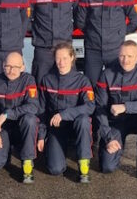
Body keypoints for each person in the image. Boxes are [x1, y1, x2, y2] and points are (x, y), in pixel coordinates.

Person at [95, 41, 137, 180]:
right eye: (122, 56)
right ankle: (114, 148)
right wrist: (108, 137)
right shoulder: (107, 74)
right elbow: (99, 108)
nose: (125, 60)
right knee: (107, 167)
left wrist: (126, 106)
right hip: (117, 123)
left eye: (130, 56)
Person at [37, 42, 95, 183]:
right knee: (55, 169)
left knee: (83, 120)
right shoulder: (47, 80)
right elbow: (41, 110)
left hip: (76, 126)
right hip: (57, 127)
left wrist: (65, 114)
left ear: (72, 58)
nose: (61, 63)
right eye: (58, 59)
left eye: (64, 58)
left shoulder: (82, 81)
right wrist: (41, 135)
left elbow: (90, 106)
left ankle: (83, 164)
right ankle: (57, 151)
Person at [75, 0, 137, 84]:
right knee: (91, 83)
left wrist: (120, 33)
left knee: (114, 83)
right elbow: (80, 21)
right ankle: (92, 104)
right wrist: (92, 33)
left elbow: (134, 20)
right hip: (93, 49)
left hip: (116, 49)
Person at [0, 52, 39, 183]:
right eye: (8, 66)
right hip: (1, 130)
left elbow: (33, 107)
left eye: (16, 67)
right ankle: (4, 152)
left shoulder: (28, 81)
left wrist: (7, 114)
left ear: (23, 67)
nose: (11, 71)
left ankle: (27, 162)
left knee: (30, 119)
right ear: (3, 65)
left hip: (21, 128)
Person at [27, 0, 81, 82]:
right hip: (43, 49)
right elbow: (26, 20)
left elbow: (80, 18)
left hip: (65, 46)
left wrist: (68, 30)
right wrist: (37, 32)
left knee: (68, 82)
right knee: (41, 82)